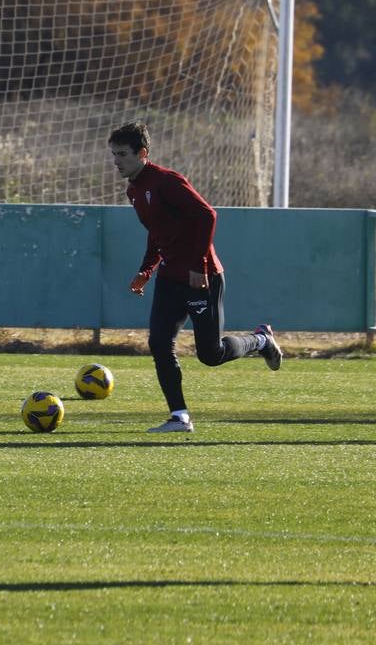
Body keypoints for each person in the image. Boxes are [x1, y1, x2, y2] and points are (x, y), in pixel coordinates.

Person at [108, 121, 282, 433]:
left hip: (201, 278)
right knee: (159, 343)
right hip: (170, 279)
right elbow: (157, 234)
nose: (116, 161)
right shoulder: (133, 190)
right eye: (113, 155)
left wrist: (199, 267)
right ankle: (179, 416)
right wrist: (146, 271)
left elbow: (207, 215)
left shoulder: (167, 182)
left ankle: (261, 340)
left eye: (122, 154)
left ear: (143, 153)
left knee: (210, 355)